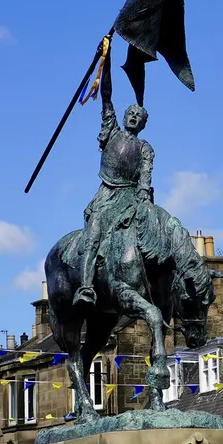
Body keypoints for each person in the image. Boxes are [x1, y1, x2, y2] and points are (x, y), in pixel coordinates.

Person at [74, 38, 154, 308]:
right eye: (131, 113)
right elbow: (106, 95)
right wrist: (105, 59)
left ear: (142, 124)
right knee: (93, 237)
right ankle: (85, 287)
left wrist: (144, 201)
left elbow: (145, 179)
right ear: (124, 116)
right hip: (107, 195)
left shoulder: (145, 148)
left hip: (131, 199)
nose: (133, 116)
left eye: (138, 116)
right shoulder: (112, 133)